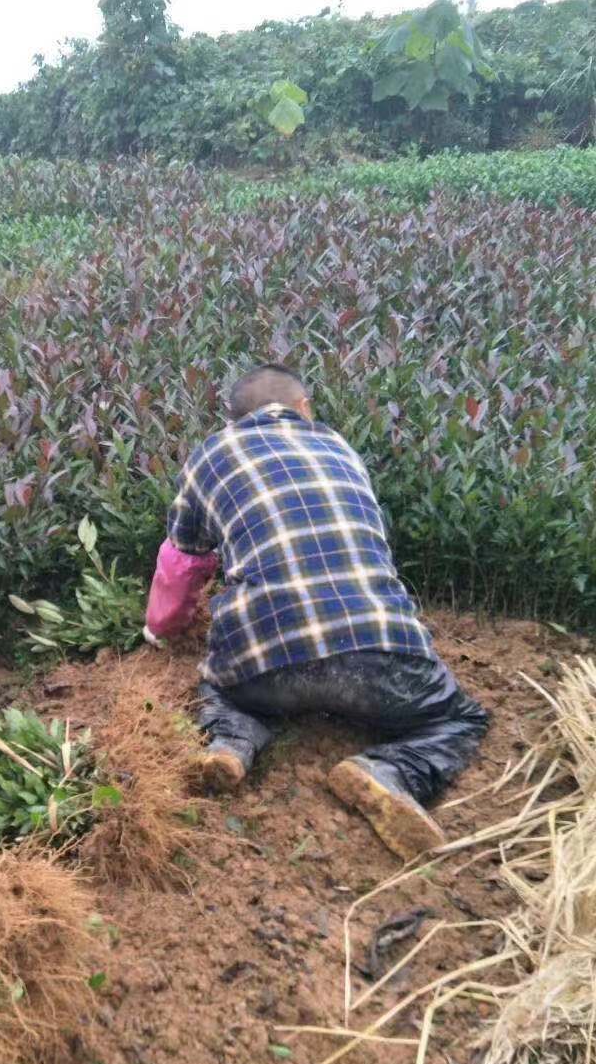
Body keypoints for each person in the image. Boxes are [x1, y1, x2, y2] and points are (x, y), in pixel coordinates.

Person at [143, 363, 490, 861]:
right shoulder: (339, 446)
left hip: (263, 668)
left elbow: (183, 561)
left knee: (221, 688)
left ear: (231, 421)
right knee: (458, 720)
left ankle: (231, 741)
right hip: (382, 655)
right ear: (303, 408)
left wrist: (161, 628)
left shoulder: (212, 454)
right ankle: (391, 771)